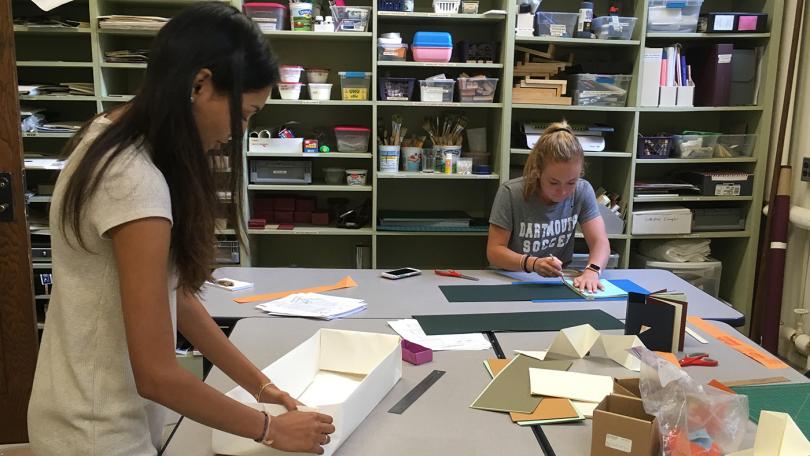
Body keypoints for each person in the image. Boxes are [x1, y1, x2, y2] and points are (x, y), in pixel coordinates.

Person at [27, 3, 334, 455]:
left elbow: (174, 295)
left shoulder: (110, 133)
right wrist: (268, 428)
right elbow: (156, 374)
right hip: (95, 433)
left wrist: (263, 387)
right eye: (245, 113)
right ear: (199, 84)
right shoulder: (134, 182)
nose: (240, 131)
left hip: (89, 412)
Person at [487, 121, 611, 292]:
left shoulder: (583, 190)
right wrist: (533, 263)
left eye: (571, 182)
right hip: (511, 278)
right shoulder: (510, 193)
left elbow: (600, 241)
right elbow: (494, 252)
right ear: (538, 171)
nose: (562, 192)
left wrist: (593, 270)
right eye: (553, 182)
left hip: (558, 281)